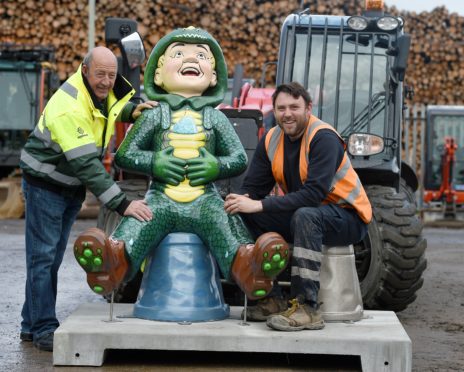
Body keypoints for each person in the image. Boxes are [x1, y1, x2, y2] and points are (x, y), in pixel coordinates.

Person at [73, 27, 289, 315]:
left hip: (205, 200)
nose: (191, 60)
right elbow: (124, 154)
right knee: (139, 220)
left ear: (213, 77)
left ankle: (250, 268)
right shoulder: (154, 115)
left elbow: (238, 157)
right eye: (178, 54)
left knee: (225, 223)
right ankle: (111, 263)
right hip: (160, 200)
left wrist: (216, 166)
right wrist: (154, 163)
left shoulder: (216, 117)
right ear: (159, 76)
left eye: (202, 55)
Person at [19, 46, 156, 351]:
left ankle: (30, 324)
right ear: (84, 71)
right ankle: (42, 328)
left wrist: (133, 109)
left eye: (111, 74)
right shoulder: (69, 107)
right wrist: (122, 203)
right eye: (100, 74)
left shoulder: (97, 93)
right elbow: (87, 166)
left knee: (49, 257)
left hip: (67, 185)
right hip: (45, 184)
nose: (106, 81)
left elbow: (109, 108)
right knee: (43, 258)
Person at [224, 82, 372, 331]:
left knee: (305, 215)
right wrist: (236, 201)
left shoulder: (323, 138)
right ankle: (269, 299)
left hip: (348, 217)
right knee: (242, 213)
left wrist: (259, 204)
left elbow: (313, 195)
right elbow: (253, 187)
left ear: (308, 108)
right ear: (274, 110)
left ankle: (307, 307)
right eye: (281, 108)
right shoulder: (272, 139)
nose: (287, 113)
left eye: (294, 107)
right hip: (306, 215)